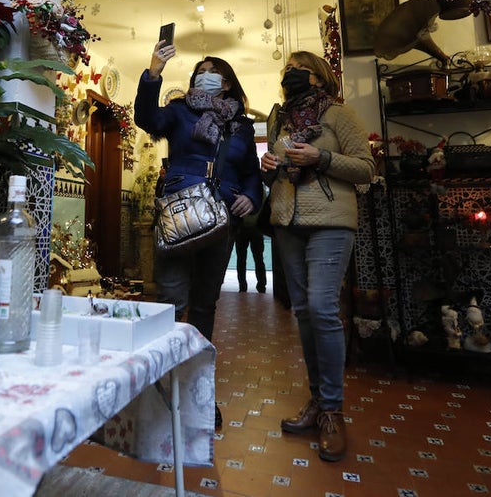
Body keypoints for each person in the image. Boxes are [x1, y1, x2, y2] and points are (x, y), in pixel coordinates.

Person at [135, 39, 261, 429]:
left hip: (222, 216)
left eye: (212, 72)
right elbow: (146, 119)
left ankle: (196, 388)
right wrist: (153, 72)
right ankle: (162, 389)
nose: (203, 76)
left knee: (205, 305)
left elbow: (252, 173)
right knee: (171, 299)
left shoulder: (242, 126)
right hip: (179, 211)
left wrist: (251, 199)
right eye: (199, 72)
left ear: (226, 83)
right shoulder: (178, 111)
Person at [260, 50, 374, 463]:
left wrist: (320, 157)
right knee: (304, 311)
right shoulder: (280, 119)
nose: (291, 74)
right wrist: (269, 165)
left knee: (324, 308)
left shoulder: (339, 115)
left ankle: (332, 411)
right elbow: (275, 169)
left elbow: (366, 168)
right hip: (286, 221)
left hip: (330, 221)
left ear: (319, 75)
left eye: (299, 68)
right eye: (286, 69)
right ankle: (316, 401)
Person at [234, 190, 268, 293]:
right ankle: (261, 285)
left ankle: (243, 286)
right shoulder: (261, 193)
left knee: (242, 259)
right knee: (258, 259)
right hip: (255, 229)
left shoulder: (241, 189)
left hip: (245, 228)